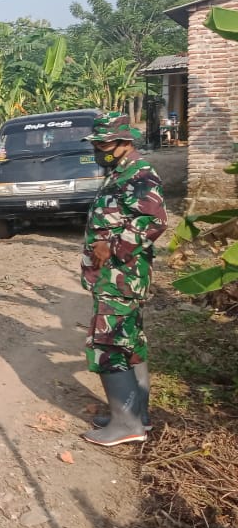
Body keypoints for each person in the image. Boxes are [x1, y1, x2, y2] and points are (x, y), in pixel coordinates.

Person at [79, 114, 167, 447]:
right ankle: (135, 414)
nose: (99, 150)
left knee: (109, 343)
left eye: (104, 144)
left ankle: (126, 423)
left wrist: (113, 246)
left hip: (120, 274)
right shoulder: (120, 172)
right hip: (117, 275)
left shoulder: (139, 173)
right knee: (129, 340)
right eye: (97, 144)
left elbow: (154, 220)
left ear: (124, 142)